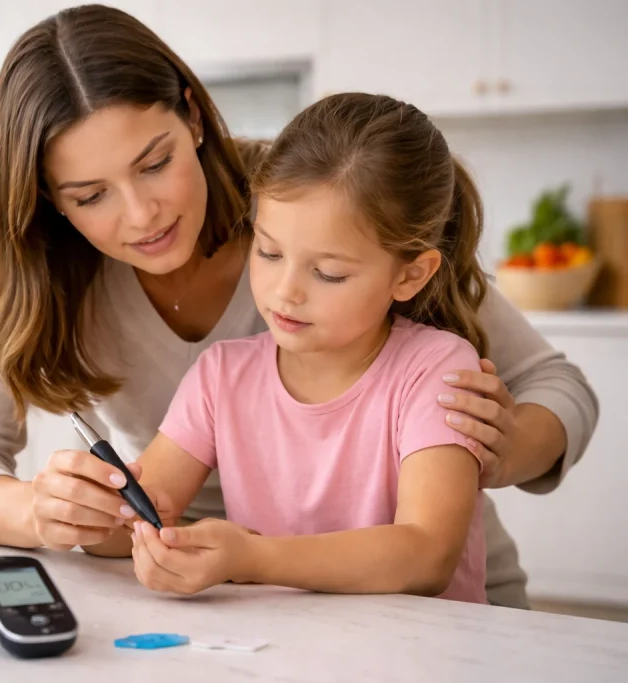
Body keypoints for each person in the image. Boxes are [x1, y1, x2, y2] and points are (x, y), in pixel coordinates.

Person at [0, 5, 598, 609]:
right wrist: (55, 511)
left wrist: (496, 452)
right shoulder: (192, 354)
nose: (142, 213)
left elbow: (546, 394)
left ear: (193, 115)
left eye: (155, 163)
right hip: (248, 602)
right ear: (47, 199)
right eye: (90, 195)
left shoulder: (310, 193)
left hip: (434, 614)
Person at [114, 92, 489, 602]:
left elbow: (427, 555)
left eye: (328, 273)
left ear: (410, 275)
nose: (285, 291)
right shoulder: (220, 376)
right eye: (269, 252)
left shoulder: (437, 370)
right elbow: (135, 518)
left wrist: (253, 559)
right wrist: (90, 510)